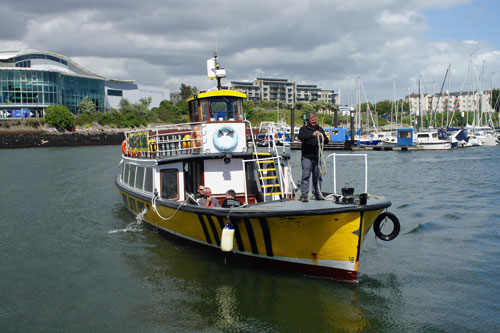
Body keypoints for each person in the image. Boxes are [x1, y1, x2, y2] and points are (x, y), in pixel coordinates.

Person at [297, 112, 329, 202]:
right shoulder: (303, 129)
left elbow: (327, 141)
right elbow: (302, 138)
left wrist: (322, 138)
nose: (314, 121)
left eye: (315, 119)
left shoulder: (320, 129)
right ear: (309, 120)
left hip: (317, 156)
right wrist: (312, 135)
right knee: (306, 175)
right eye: (312, 120)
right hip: (307, 156)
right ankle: (304, 195)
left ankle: (317, 194)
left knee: (317, 176)